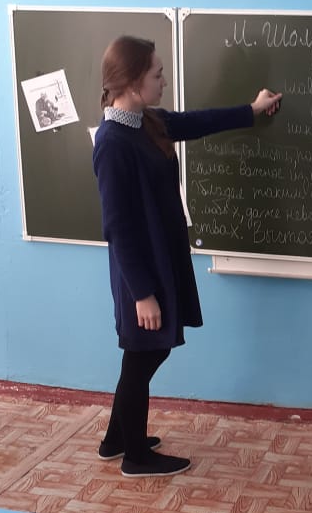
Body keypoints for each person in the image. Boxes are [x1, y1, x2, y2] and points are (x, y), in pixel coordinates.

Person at [92, 36, 281, 477]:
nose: (164, 81)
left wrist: (252, 110)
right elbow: (117, 227)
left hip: (162, 259)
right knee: (144, 354)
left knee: (144, 353)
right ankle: (135, 457)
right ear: (133, 82)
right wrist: (142, 293)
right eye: (157, 74)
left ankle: (116, 439)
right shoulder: (113, 142)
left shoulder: (146, 122)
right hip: (141, 271)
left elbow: (198, 122)